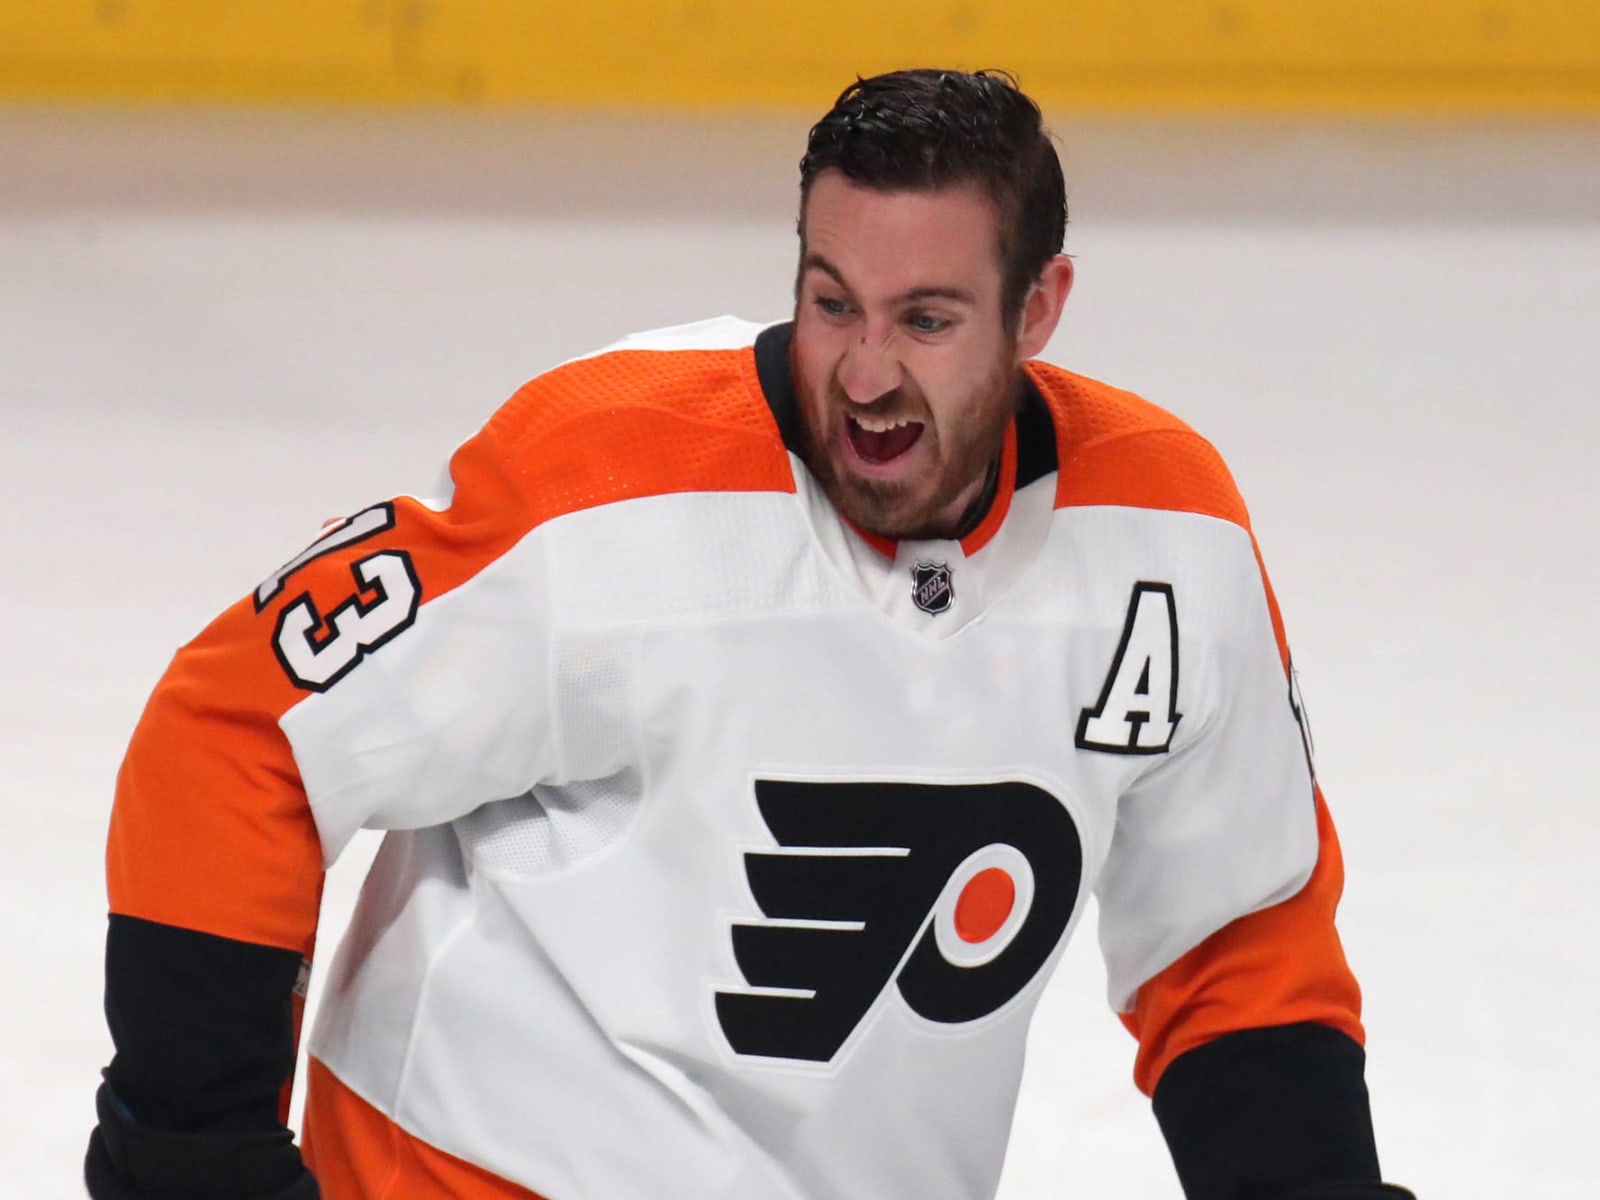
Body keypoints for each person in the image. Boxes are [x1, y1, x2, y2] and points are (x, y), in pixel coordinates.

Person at [86, 68, 1415, 1200]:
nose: (867, 372)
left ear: (1040, 307)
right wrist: (193, 1155)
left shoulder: (1170, 537)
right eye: (832, 301)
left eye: (928, 319)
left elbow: (1233, 941)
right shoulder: (606, 482)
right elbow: (241, 729)